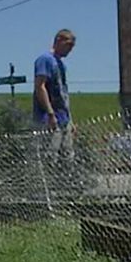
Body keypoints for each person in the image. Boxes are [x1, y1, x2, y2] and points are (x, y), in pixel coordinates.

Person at [33, 30, 78, 166]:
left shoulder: (61, 64)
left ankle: (66, 185)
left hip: (64, 118)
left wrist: (70, 120)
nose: (70, 50)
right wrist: (50, 113)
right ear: (58, 41)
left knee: (67, 157)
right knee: (50, 156)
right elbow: (40, 87)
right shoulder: (45, 60)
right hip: (49, 118)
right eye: (68, 45)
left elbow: (63, 93)